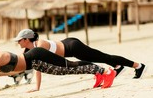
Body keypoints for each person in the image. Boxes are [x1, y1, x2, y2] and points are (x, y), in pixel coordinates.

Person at [0, 38, 116, 98]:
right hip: (36, 63)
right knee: (66, 72)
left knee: (69, 65)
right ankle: (98, 73)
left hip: (38, 56)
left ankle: (104, 71)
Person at [13, 29, 147, 92]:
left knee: (104, 57)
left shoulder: (40, 44)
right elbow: (38, 66)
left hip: (73, 47)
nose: (17, 42)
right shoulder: (30, 49)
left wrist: (37, 86)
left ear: (26, 39)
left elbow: (44, 65)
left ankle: (138, 66)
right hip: (69, 45)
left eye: (19, 40)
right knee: (103, 58)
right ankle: (118, 67)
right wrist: (37, 87)